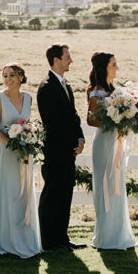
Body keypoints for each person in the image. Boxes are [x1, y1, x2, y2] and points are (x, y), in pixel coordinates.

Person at [0, 62, 42, 258]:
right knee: (6, 192)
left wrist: (28, 140)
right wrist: (12, 144)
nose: (8, 79)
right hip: (5, 150)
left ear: (21, 77)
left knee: (22, 192)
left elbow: (27, 124)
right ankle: (4, 241)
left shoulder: (28, 98)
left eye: (12, 75)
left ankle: (23, 238)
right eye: (5, 76)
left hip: (24, 152)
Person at [37, 43, 86, 252]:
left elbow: (73, 115)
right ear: (56, 60)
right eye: (67, 57)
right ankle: (48, 242)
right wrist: (69, 143)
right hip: (56, 150)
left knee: (65, 194)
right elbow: (53, 122)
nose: (71, 61)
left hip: (69, 150)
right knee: (52, 195)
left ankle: (62, 238)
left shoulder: (66, 84)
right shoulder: (46, 86)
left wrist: (80, 138)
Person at [86, 52, 137, 250]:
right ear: (104, 67)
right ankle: (106, 237)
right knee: (106, 187)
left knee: (117, 186)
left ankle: (119, 233)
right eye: (113, 64)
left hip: (116, 142)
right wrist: (115, 118)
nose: (117, 68)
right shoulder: (97, 91)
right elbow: (91, 120)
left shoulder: (114, 90)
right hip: (104, 142)